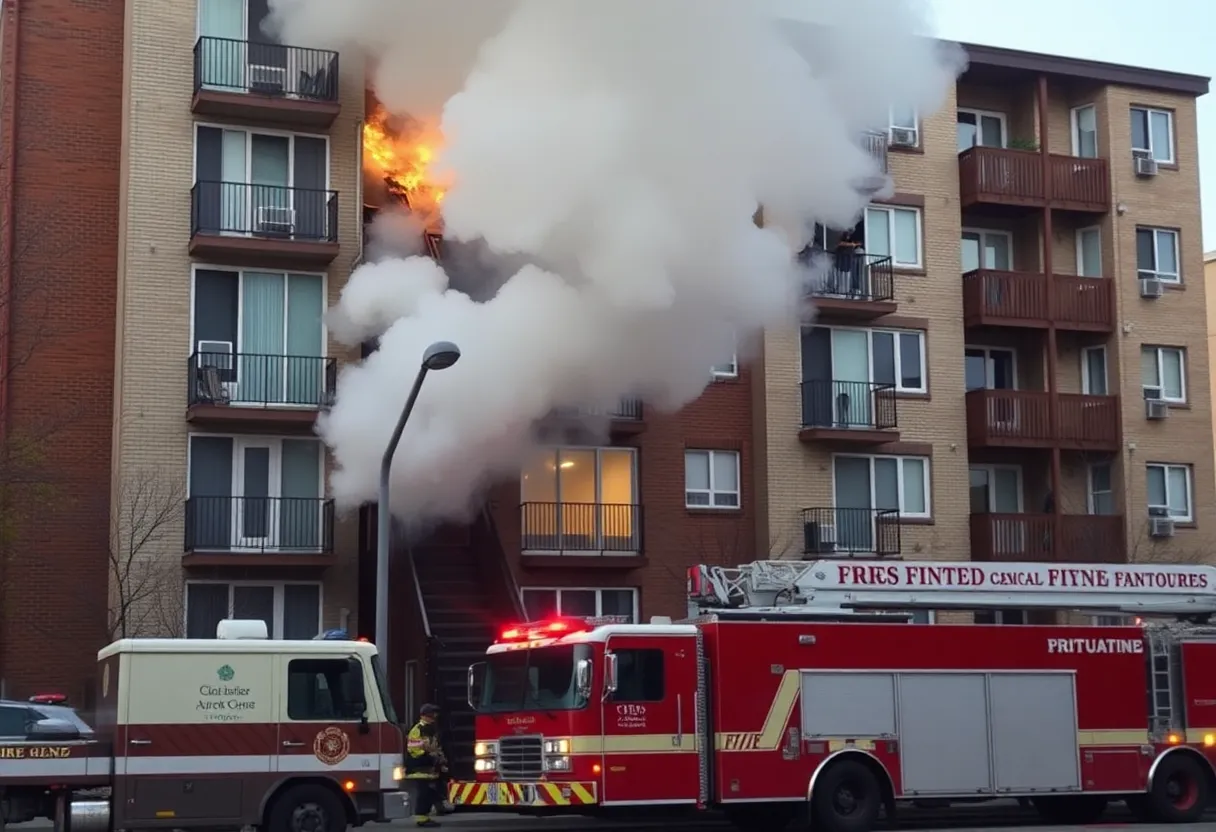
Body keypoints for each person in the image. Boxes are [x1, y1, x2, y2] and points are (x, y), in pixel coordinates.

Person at [405, 703, 448, 828]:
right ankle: (422, 818)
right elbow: (414, 749)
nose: (434, 716)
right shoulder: (417, 729)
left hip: (428, 768)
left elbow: (435, 747)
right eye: (431, 714)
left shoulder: (431, 730)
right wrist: (429, 754)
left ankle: (430, 813)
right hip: (419, 768)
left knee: (430, 792)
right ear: (424, 716)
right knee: (424, 793)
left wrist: (440, 759)